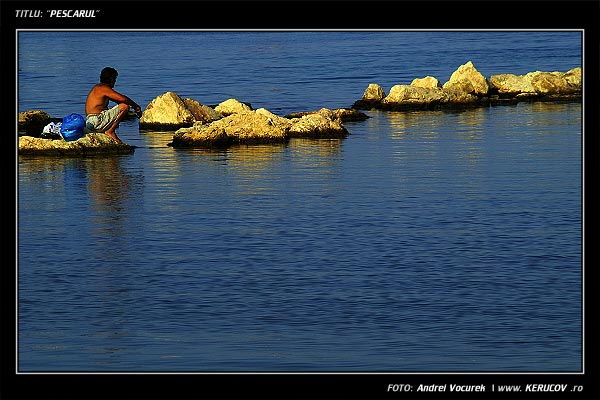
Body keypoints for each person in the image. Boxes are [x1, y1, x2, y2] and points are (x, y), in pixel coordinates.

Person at [84, 67, 142, 143]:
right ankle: (110, 131)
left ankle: (108, 130)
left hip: (90, 122)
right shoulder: (103, 88)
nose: (115, 81)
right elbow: (123, 99)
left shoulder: (97, 88)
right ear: (111, 79)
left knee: (122, 109)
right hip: (97, 121)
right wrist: (136, 107)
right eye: (115, 79)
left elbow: (117, 101)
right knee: (124, 107)